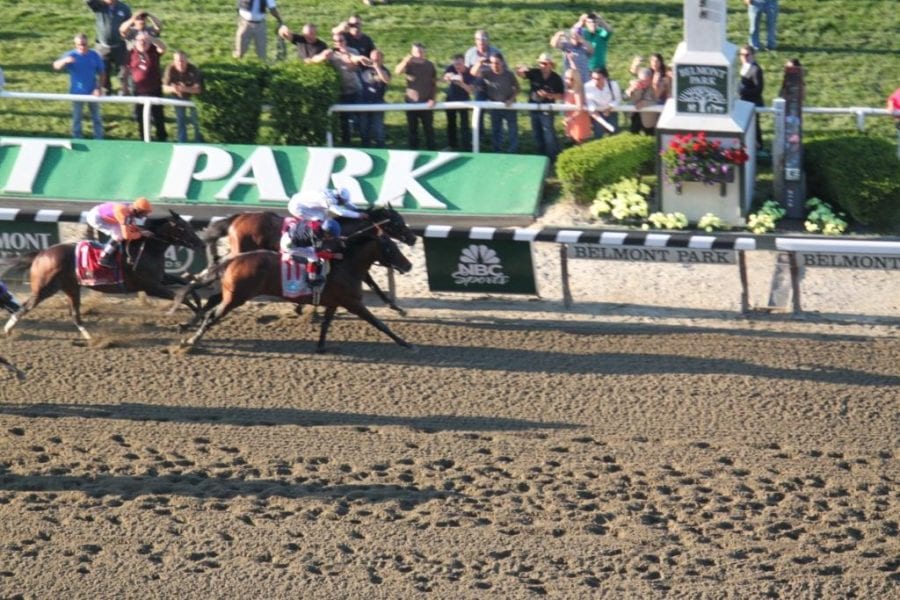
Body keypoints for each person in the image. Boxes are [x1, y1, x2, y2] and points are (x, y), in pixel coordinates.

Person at [311, 30, 367, 146]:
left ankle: (365, 142)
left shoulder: (352, 51)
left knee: (361, 118)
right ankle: (346, 143)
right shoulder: (331, 54)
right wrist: (323, 58)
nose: (338, 43)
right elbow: (314, 60)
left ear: (345, 41)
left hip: (355, 89)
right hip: (342, 91)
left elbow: (354, 65)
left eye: (341, 40)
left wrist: (352, 59)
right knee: (344, 120)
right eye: (336, 41)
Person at [52, 33, 105, 140]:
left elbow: (102, 73)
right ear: (75, 45)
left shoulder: (94, 55)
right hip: (77, 92)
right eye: (79, 45)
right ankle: (77, 138)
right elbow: (55, 66)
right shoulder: (70, 55)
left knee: (96, 117)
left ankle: (99, 138)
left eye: (84, 44)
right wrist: (64, 61)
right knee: (77, 117)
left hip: (93, 91)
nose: (82, 47)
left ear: (87, 43)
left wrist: (98, 88)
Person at [517, 53, 564, 161]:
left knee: (549, 134)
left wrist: (549, 95)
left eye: (544, 63)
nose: (541, 65)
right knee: (537, 133)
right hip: (534, 107)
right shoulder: (534, 73)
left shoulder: (556, 78)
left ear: (550, 65)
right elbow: (522, 75)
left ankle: (552, 157)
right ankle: (541, 157)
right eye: (540, 63)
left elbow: (561, 94)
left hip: (547, 108)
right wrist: (520, 70)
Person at [86, 197, 153, 267]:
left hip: (103, 214)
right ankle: (104, 257)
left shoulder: (130, 210)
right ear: (138, 210)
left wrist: (141, 230)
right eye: (144, 213)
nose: (145, 215)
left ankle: (110, 250)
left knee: (123, 231)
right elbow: (126, 236)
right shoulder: (125, 213)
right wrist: (141, 234)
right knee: (119, 236)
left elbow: (130, 225)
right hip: (96, 217)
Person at [395, 43, 437, 150]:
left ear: (424, 52)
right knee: (412, 129)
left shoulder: (430, 65)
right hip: (411, 102)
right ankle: (413, 150)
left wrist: (433, 98)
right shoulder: (409, 65)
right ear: (412, 53)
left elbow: (434, 83)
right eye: (416, 52)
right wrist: (405, 61)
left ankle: (432, 150)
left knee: (429, 129)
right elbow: (397, 71)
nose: (419, 54)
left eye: (421, 51)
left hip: (426, 103)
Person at [85, 0, 132, 95]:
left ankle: (124, 90)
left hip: (120, 45)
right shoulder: (99, 5)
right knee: (103, 69)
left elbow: (130, 23)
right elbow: (88, 2)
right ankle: (106, 90)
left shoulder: (124, 8)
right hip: (102, 46)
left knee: (122, 70)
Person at [280, 218, 343, 288]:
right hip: (288, 245)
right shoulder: (316, 236)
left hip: (289, 235)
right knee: (313, 255)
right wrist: (333, 255)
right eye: (332, 236)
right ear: (326, 233)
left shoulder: (319, 224)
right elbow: (319, 254)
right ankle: (311, 279)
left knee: (312, 250)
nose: (332, 238)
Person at [127, 31, 167, 141]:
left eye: (145, 41)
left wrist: (152, 39)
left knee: (158, 116)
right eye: (140, 40)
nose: (143, 43)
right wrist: (125, 86)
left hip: (155, 89)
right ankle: (144, 138)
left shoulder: (153, 51)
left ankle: (162, 138)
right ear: (136, 42)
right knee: (141, 117)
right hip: (139, 90)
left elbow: (163, 47)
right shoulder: (131, 53)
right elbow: (125, 69)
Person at [477, 53, 519, 153]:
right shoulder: (487, 73)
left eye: (497, 63)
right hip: (494, 107)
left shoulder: (509, 74)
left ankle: (514, 152)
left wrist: (511, 99)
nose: (494, 65)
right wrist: (479, 63)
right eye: (492, 63)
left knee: (512, 131)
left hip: (509, 107)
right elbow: (473, 73)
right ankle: (497, 153)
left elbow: (517, 88)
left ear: (502, 62)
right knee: (496, 131)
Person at [162, 50, 203, 143]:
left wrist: (182, 88)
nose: (180, 63)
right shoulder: (170, 69)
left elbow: (198, 89)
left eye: (182, 61)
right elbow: (164, 88)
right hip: (178, 97)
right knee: (180, 119)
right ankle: (182, 142)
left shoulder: (194, 70)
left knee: (195, 120)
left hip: (193, 98)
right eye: (177, 61)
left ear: (186, 60)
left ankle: (198, 141)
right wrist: (174, 89)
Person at [443, 54, 475, 150]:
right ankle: (452, 145)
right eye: (455, 64)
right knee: (451, 123)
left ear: (464, 62)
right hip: (451, 99)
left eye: (459, 64)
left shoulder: (470, 72)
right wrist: (447, 77)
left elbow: (471, 90)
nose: (457, 67)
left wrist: (461, 83)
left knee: (464, 124)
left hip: (464, 100)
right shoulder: (450, 68)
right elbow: (444, 79)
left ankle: (466, 146)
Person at [359, 49, 390, 148]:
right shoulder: (363, 69)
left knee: (378, 128)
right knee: (363, 127)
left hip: (378, 101)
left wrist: (377, 67)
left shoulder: (385, 70)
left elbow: (386, 80)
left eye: (377, 59)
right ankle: (365, 146)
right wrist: (361, 59)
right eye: (373, 59)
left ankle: (381, 146)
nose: (375, 61)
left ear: (382, 59)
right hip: (364, 102)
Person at [584, 67, 621, 138]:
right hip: (597, 113)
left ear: (605, 78)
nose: (594, 81)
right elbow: (590, 103)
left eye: (597, 79)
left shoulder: (613, 84)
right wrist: (595, 113)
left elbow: (618, 99)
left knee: (614, 133)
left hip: (611, 111)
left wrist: (609, 108)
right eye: (592, 78)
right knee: (598, 134)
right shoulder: (587, 86)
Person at [739, 45, 765, 149]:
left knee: (755, 127)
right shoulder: (744, 66)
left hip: (753, 102)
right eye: (741, 55)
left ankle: (759, 146)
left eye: (747, 55)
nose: (744, 57)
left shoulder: (756, 70)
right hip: (745, 102)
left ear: (753, 55)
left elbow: (759, 89)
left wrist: (742, 91)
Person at [625, 67, 658, 135]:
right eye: (641, 80)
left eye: (646, 80)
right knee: (633, 135)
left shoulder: (655, 87)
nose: (643, 83)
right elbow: (625, 98)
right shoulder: (634, 84)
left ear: (650, 79)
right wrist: (631, 90)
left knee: (650, 136)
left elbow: (657, 101)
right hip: (635, 116)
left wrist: (645, 103)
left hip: (648, 118)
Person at [562, 68, 592, 145]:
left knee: (579, 142)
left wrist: (570, 118)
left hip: (578, 119)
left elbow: (580, 108)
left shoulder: (577, 91)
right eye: (566, 78)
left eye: (571, 79)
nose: (568, 81)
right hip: (571, 119)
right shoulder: (567, 90)